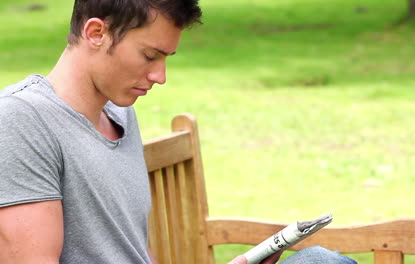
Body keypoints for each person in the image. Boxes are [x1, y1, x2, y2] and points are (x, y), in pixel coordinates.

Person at [0, 1, 356, 263]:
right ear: (96, 33)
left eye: (166, 58)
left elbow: (130, 252)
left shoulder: (119, 109)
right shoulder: (21, 119)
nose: (161, 76)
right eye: (150, 56)